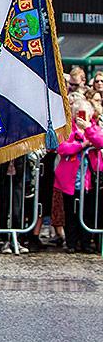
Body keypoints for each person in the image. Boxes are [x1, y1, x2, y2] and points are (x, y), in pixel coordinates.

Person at [55, 97, 103, 254]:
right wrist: (81, 145)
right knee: (71, 212)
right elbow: (62, 148)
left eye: (84, 113)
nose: (81, 116)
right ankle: (71, 243)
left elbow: (100, 142)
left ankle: (86, 242)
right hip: (71, 179)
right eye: (78, 112)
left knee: (88, 212)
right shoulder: (68, 128)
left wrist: (88, 128)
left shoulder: (94, 128)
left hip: (89, 180)